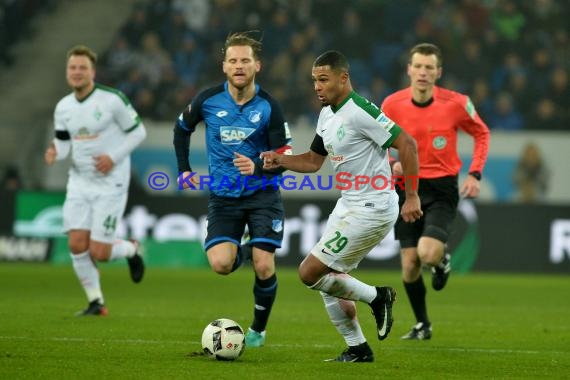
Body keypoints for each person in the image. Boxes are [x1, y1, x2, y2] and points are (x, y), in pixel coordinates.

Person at [260, 50, 422, 362]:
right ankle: (358, 348)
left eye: (323, 79)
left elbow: (408, 144)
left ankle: (378, 297)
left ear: (343, 78)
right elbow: (312, 161)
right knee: (329, 280)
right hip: (348, 205)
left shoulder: (359, 110)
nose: (317, 87)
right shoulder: (327, 114)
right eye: (314, 81)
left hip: (372, 207)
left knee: (310, 272)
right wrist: (280, 160)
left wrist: (412, 196)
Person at [173, 32, 292, 348]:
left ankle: (258, 330)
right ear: (224, 66)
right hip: (224, 197)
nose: (239, 66)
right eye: (233, 60)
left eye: (245, 60)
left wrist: (257, 163)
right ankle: (249, 246)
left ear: (258, 66)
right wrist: (184, 169)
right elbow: (181, 129)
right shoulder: (208, 100)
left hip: (263, 193)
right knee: (221, 265)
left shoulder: (269, 107)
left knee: (264, 264)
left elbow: (286, 157)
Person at [381, 43, 490, 340]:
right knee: (409, 265)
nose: (423, 72)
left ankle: (440, 260)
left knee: (427, 254)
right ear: (409, 69)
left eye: (429, 67)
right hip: (406, 188)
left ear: (438, 72)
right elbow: (378, 141)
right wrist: (392, 162)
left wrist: (475, 173)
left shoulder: (456, 103)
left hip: (441, 187)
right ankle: (422, 324)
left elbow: (481, 132)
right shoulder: (391, 104)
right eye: (418, 66)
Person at [44, 45, 147, 316]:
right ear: (67, 72)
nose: (77, 72)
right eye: (72, 68)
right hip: (79, 181)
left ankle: (131, 249)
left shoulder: (112, 100)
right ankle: (96, 302)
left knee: (100, 251)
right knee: (76, 244)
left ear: (93, 72)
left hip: (110, 182)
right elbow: (65, 144)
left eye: (82, 68)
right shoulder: (63, 107)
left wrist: (113, 157)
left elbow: (138, 133)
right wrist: (56, 150)